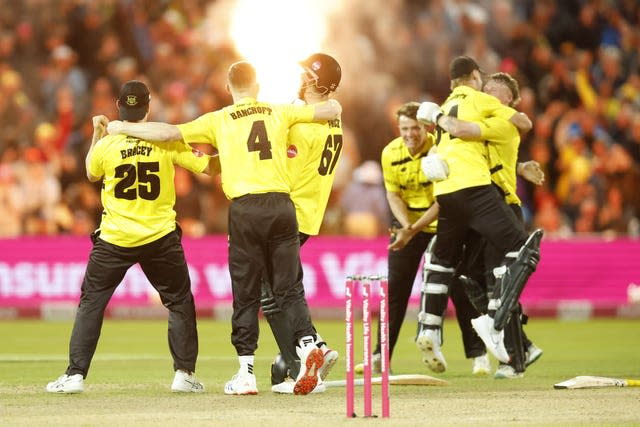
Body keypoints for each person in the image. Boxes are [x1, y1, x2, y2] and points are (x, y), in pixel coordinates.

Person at [107, 61, 342, 395]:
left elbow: (169, 132)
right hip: (283, 206)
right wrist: (336, 102)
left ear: (229, 89)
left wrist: (121, 128)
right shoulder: (279, 111)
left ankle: (247, 373)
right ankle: (308, 346)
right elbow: (329, 109)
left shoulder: (219, 118)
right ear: (258, 87)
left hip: (247, 208)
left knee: (248, 292)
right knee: (287, 286)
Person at [46, 80, 217, 394]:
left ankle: (74, 375)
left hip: (115, 238)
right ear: (148, 108)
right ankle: (184, 374)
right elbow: (207, 167)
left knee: (91, 304)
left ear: (119, 107)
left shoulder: (108, 145)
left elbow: (91, 172)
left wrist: (98, 132)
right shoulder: (165, 140)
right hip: (160, 237)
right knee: (179, 302)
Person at [415, 56, 543, 365]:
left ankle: (512, 348)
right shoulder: (477, 103)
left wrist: (439, 121)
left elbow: (518, 124)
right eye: (489, 88)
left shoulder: (458, 107)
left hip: (494, 199)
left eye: (502, 95)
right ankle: (502, 333)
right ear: (476, 79)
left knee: (476, 269)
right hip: (478, 193)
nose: (492, 96)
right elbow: (468, 143)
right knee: (477, 274)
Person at [349, 102, 488, 376]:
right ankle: (379, 357)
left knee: (460, 291)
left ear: (426, 127)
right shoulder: (390, 152)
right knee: (395, 294)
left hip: (444, 225)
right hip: (408, 225)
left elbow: (442, 201)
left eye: (415, 128)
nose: (410, 134)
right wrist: (406, 226)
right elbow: (393, 195)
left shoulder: (441, 148)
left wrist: (410, 230)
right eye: (404, 129)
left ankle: (478, 356)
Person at [264, 52, 343, 394]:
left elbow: (281, 170)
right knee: (277, 288)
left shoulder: (304, 126)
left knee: (277, 292)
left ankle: (302, 361)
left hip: (288, 212)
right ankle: (315, 350)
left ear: (318, 82)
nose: (299, 78)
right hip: (308, 215)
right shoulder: (332, 118)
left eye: (305, 75)